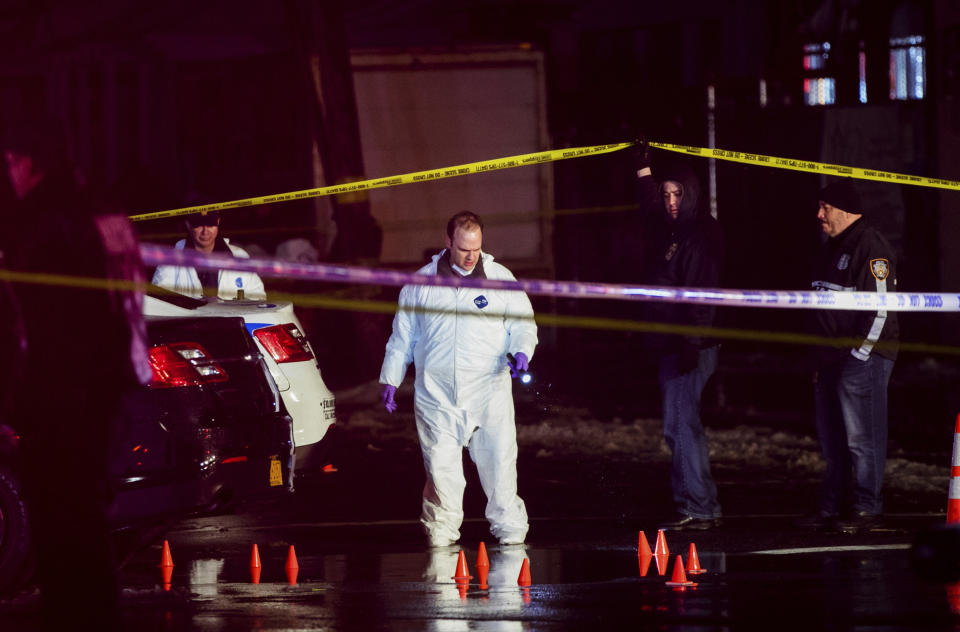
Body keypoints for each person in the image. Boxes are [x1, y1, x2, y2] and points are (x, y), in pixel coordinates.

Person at [1, 115, 152, 630]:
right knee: (88, 518)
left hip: (61, 393)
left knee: (61, 528)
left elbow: (34, 320)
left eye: (11, 162)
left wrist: (14, 401)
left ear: (25, 161)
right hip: (115, 387)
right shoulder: (107, 212)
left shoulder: (43, 217)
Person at [379, 211, 538, 546]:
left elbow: (523, 324)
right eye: (464, 248)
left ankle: (511, 535)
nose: (470, 256)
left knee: (500, 466)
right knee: (441, 470)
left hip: (489, 393)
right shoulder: (420, 284)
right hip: (437, 397)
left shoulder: (500, 279)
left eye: (476, 249)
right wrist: (390, 379)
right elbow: (402, 337)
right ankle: (441, 537)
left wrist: (522, 350)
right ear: (448, 241)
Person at [634, 142, 724, 530]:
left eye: (677, 194)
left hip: (691, 346)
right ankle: (697, 504)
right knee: (679, 424)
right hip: (672, 345)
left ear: (691, 195)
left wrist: (691, 342)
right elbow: (652, 210)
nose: (670, 201)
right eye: (666, 194)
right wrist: (643, 172)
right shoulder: (672, 226)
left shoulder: (700, 235)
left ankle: (699, 507)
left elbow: (703, 293)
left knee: (680, 424)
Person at [804, 178, 898, 534]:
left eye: (825, 208)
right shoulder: (833, 246)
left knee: (862, 439)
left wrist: (860, 355)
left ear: (844, 210)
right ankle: (833, 508)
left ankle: (867, 510)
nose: (819, 215)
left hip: (861, 358)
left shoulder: (869, 245)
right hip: (831, 360)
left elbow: (882, 308)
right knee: (833, 439)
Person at [151, 209, 266, 300]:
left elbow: (259, 298)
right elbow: (160, 303)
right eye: (199, 225)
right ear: (188, 224)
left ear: (218, 222)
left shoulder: (239, 256)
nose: (205, 231)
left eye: (210, 224)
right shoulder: (170, 260)